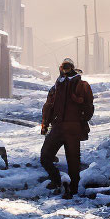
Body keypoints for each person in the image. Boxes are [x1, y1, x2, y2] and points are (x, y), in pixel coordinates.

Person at [40, 58, 94, 199]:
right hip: (58, 127)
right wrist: (45, 125)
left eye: (67, 67)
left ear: (72, 68)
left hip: (72, 128)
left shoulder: (81, 85)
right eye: (63, 67)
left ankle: (73, 190)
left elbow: (89, 107)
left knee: (73, 162)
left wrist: (80, 121)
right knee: (45, 156)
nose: (65, 69)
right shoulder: (57, 86)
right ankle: (57, 181)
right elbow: (48, 107)